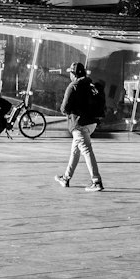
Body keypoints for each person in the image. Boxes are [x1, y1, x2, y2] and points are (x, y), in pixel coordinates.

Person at [54, 60, 104, 192]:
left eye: (70, 73)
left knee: (86, 151)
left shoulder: (73, 86)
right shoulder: (90, 85)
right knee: (75, 151)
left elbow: (64, 108)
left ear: (73, 74)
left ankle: (96, 181)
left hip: (79, 124)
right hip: (91, 123)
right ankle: (66, 178)